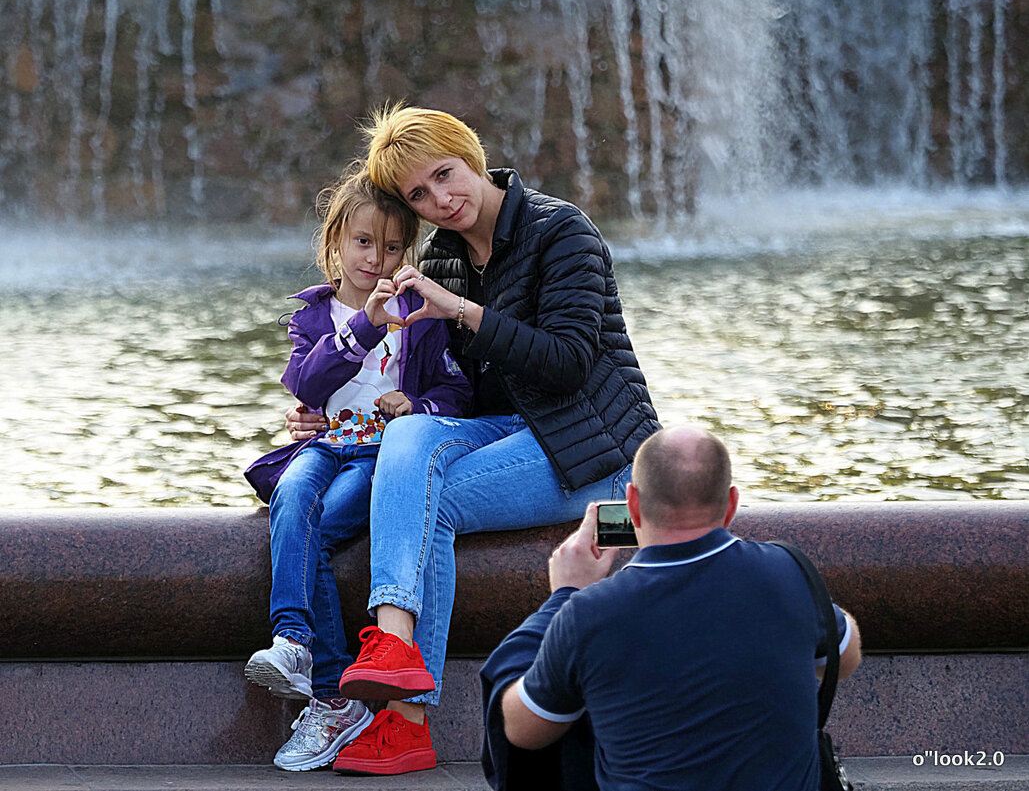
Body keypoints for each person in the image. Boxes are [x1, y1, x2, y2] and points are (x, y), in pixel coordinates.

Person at [286, 105, 661, 776]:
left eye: (445, 175)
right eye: (419, 195)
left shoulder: (559, 230)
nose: (441, 200)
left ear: (470, 155)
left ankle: (403, 720)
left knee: (426, 500)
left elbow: (569, 362)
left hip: (595, 452)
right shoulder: (448, 255)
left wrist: (461, 309)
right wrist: (337, 415)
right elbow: (448, 389)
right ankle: (394, 649)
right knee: (409, 437)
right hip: (516, 435)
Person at [242, 164, 472, 772]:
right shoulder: (315, 315)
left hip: (381, 455)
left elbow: (455, 395)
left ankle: (330, 694)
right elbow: (306, 382)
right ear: (336, 243)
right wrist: (366, 325)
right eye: (364, 242)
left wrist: (416, 407)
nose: (377, 258)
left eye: (393, 246)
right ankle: (292, 641)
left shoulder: (420, 316)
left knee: (316, 528)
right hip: (320, 447)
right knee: (291, 496)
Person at [485, 426, 862, 791]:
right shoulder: (789, 573)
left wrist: (563, 596)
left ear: (632, 504)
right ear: (731, 504)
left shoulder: (590, 614)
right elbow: (845, 657)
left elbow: (522, 731)